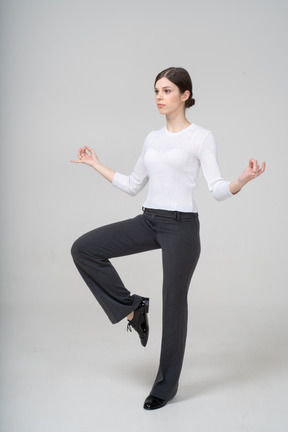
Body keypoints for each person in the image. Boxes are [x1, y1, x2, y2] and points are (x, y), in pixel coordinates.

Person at [71, 67, 265, 410]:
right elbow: (133, 184)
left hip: (182, 227)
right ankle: (133, 308)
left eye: (166, 91)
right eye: (156, 91)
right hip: (149, 220)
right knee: (84, 248)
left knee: (174, 304)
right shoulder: (152, 138)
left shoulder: (201, 137)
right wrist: (95, 164)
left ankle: (165, 386)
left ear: (185, 95)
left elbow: (217, 190)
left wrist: (244, 178)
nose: (159, 97)